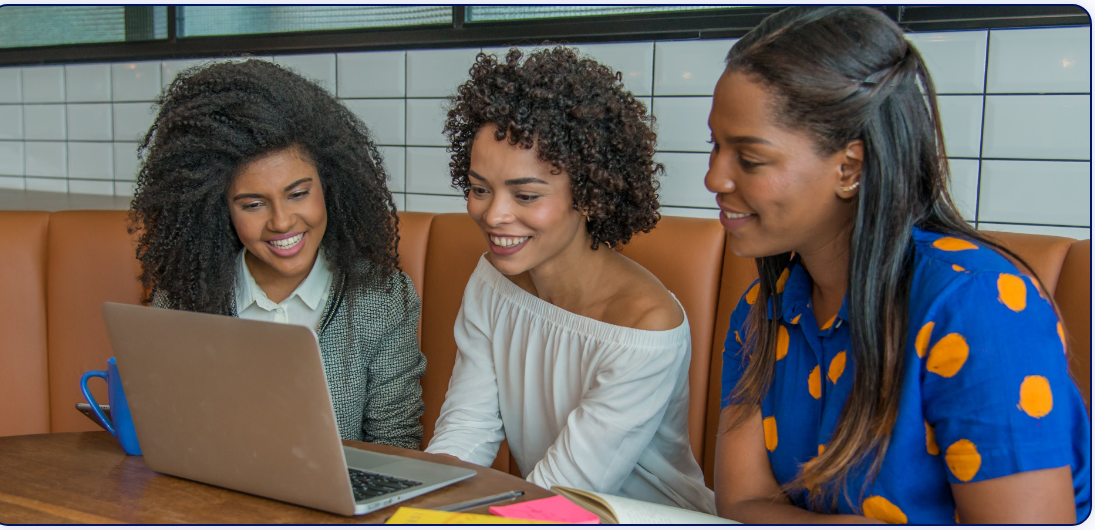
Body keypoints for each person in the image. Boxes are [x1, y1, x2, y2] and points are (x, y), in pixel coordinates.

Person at [707, 6, 1090, 524]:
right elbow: (744, 502)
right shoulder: (763, 310)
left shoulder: (977, 305)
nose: (714, 179)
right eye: (716, 145)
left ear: (849, 168)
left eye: (749, 159)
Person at [424, 46, 716, 513]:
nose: (494, 214)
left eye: (525, 194)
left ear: (591, 195)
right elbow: (466, 431)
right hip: (542, 509)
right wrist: (423, 508)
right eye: (480, 189)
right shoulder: (492, 283)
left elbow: (567, 492)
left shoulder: (646, 326)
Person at [128, 59, 427, 449]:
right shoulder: (182, 302)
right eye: (253, 205)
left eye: (298, 193)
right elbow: (170, 435)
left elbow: (396, 446)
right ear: (220, 211)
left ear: (330, 187)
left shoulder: (384, 299)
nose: (283, 222)